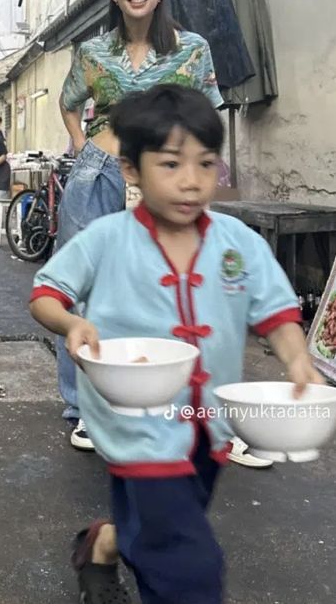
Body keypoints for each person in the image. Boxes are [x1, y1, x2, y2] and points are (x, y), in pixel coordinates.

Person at [30, 85, 324, 604]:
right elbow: (47, 295)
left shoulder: (239, 243)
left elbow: (276, 312)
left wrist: (298, 358)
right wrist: (71, 324)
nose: (191, 182)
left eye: (206, 164)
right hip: (135, 420)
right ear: (130, 171)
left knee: (165, 520)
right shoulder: (107, 239)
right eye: (170, 164)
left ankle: (103, 543)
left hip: (207, 424)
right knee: (188, 566)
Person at [55, 0, 265, 466]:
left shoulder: (193, 49)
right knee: (85, 293)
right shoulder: (91, 53)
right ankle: (85, 411)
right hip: (99, 177)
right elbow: (68, 102)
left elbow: (209, 118)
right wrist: (83, 149)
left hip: (168, 185)